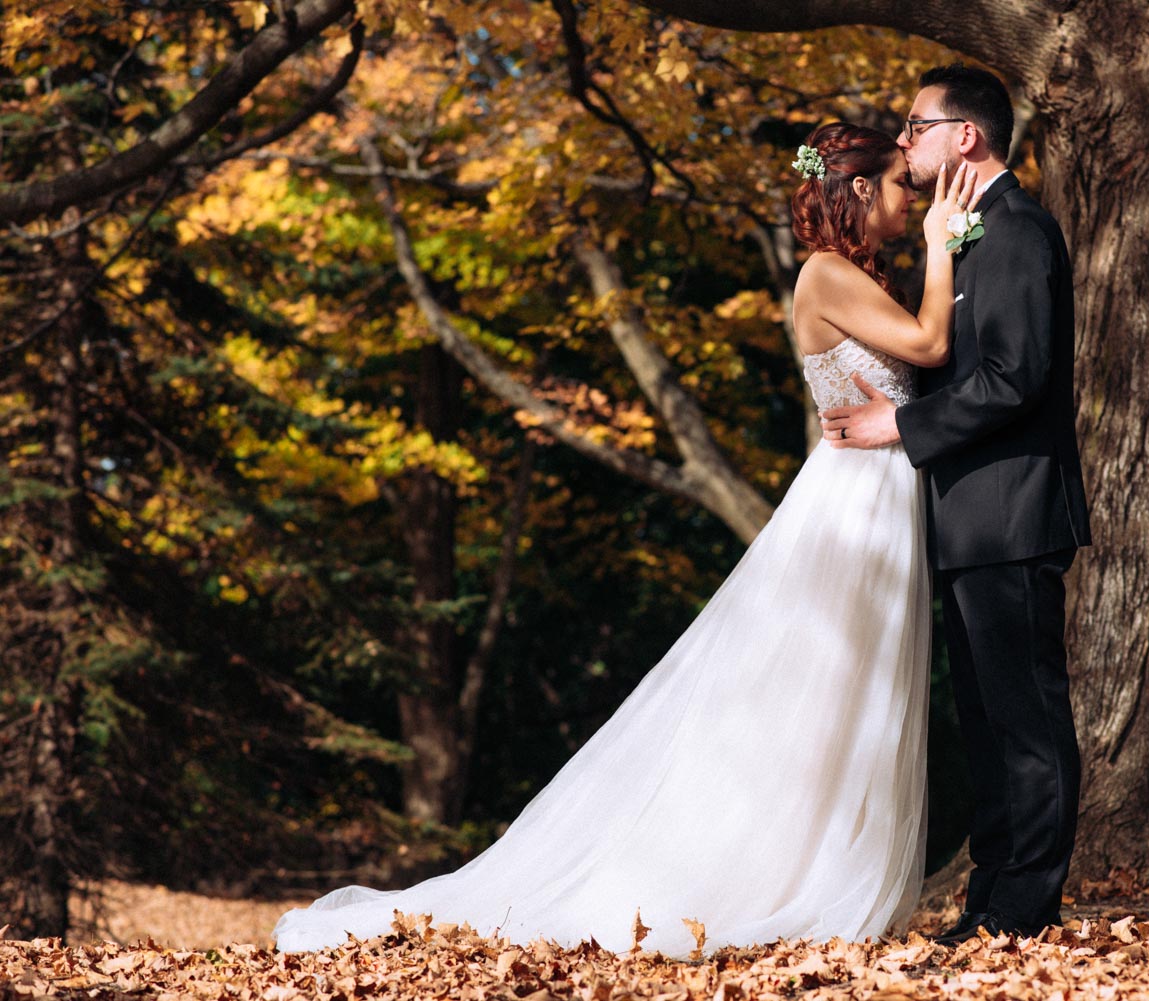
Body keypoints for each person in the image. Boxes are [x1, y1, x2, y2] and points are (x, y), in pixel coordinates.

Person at [273, 122, 981, 957]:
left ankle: (814, 863)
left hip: (878, 493)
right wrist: (942, 242)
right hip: (851, 506)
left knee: (852, 694)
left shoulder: (853, 275)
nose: (912, 197)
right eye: (900, 182)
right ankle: (778, 875)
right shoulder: (826, 273)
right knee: (825, 691)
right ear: (858, 188)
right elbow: (929, 342)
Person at [820, 64, 1093, 943]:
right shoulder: (967, 236)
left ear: (964, 135)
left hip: (1012, 513)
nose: (905, 142)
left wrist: (900, 423)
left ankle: (1025, 908)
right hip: (965, 520)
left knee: (1026, 720)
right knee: (984, 724)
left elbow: (1015, 377)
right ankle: (990, 899)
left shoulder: (1017, 231)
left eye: (916, 125)